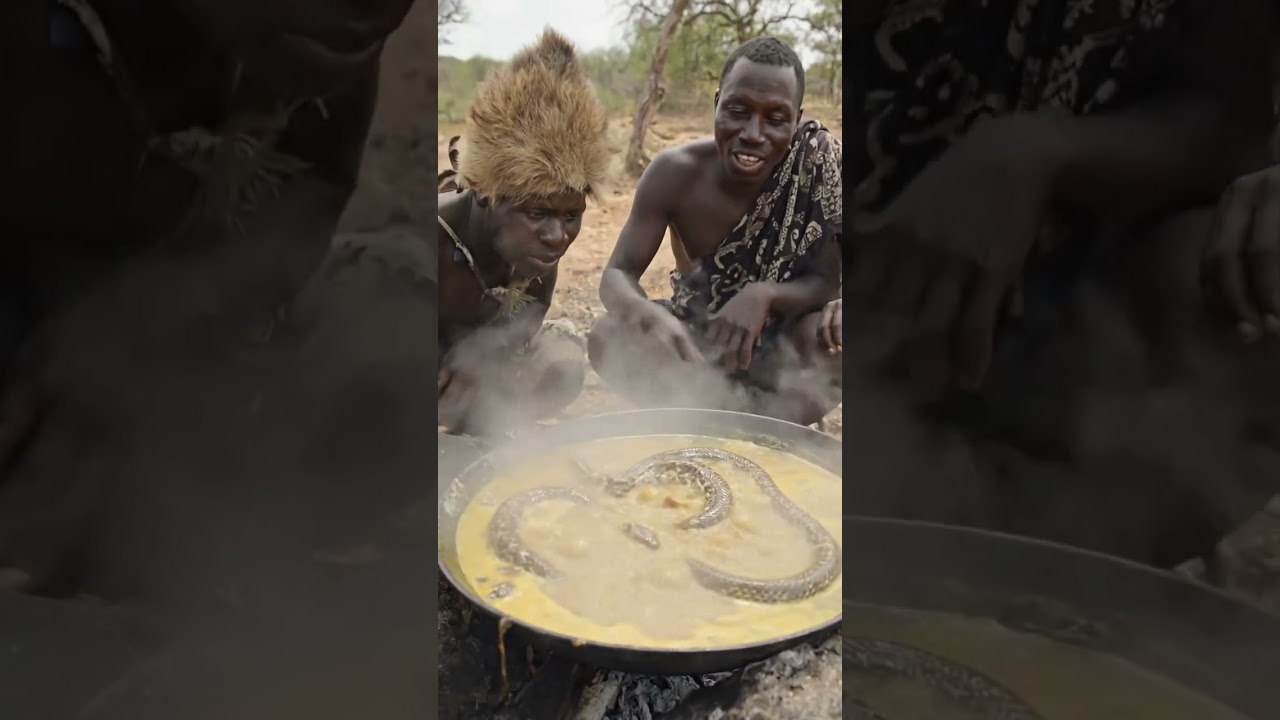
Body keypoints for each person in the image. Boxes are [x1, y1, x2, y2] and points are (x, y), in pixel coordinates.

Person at [848, 0, 1280, 569]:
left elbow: (1228, 114)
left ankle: (1052, 585)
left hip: (1107, 293)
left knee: (1233, 285)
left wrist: (1038, 150)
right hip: (900, 316)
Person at [0, 0, 412, 593]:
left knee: (400, 323)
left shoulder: (319, 41)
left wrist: (141, 340)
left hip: (158, 342)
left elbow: (284, 237)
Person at [587, 37, 842, 427]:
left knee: (841, 343)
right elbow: (617, 274)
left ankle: (766, 431)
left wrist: (765, 294)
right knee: (610, 336)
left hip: (785, 349)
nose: (753, 133)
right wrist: (651, 317)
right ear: (717, 103)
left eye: (775, 118)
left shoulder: (817, 166)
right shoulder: (675, 173)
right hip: (698, 347)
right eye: (738, 111)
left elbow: (826, 281)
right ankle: (702, 423)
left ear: (796, 120)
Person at [435, 29, 612, 436]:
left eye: (572, 216)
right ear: (485, 192)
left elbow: (532, 311)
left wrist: (483, 350)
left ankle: (482, 434)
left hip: (479, 364)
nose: (558, 236)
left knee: (562, 364)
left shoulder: (535, 248)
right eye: (537, 212)